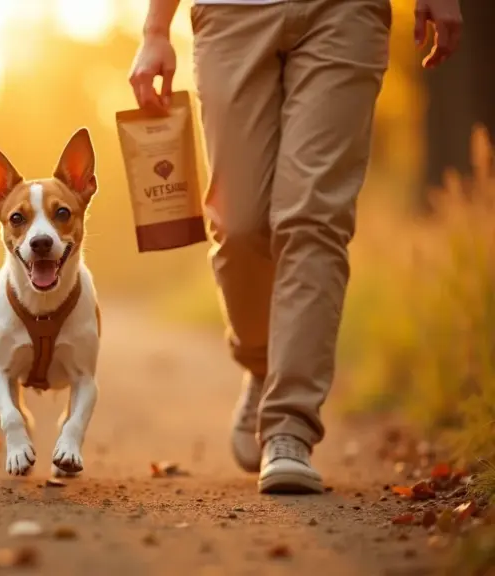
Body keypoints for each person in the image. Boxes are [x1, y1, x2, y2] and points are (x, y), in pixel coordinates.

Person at [128, 0, 462, 494]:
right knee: (238, 224)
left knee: (313, 217)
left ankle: (289, 428)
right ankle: (264, 364)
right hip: (232, 15)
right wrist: (156, 27)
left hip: (345, 14)